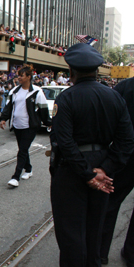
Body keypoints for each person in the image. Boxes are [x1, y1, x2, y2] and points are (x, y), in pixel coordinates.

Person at [50, 43, 134, 267]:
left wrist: (88, 174)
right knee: (95, 229)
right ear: (97, 71)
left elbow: (64, 142)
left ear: (71, 72)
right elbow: (126, 141)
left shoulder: (66, 98)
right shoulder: (115, 97)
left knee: (70, 234)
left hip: (72, 171)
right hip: (103, 169)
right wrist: (104, 169)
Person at [100, 76, 134, 266]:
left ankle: (100, 251)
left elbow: (108, 121)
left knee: (110, 202)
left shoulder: (125, 87)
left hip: (126, 156)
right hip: (125, 154)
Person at [0, 64, 51, 187]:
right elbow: (9, 107)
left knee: (22, 150)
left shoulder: (37, 91)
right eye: (18, 76)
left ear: (28, 77)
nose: (19, 78)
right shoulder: (14, 91)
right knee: (23, 149)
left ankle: (16, 177)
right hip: (17, 125)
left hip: (30, 126)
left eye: (21, 76)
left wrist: (49, 123)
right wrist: (3, 119)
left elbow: (43, 110)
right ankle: (28, 169)